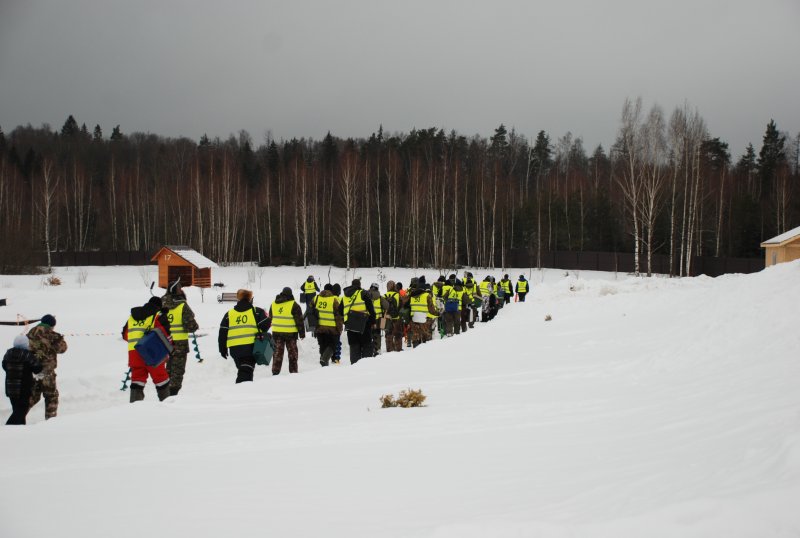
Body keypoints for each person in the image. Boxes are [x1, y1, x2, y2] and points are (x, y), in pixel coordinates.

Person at [122, 297, 172, 402]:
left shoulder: (132, 317)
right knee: (161, 380)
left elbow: (125, 335)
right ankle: (167, 404)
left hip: (134, 355)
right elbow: (166, 334)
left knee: (137, 381)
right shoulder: (158, 315)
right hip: (152, 354)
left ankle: (135, 407)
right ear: (159, 306)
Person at [218, 289, 269, 383]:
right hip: (250, 348)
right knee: (246, 371)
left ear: (238, 298)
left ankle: (246, 390)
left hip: (234, 349)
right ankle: (240, 390)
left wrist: (222, 349)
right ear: (250, 298)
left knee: (244, 369)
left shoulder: (229, 314)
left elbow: (222, 332)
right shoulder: (257, 311)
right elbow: (265, 325)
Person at [162, 279, 199, 396]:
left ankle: (164, 392)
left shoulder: (161, 304)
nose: (182, 289)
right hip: (180, 344)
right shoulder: (182, 305)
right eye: (180, 288)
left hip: (163, 342)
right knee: (177, 370)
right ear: (176, 291)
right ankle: (172, 394)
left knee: (168, 369)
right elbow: (191, 326)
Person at [27, 314, 68, 419]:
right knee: (51, 396)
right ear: (51, 325)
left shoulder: (30, 333)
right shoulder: (52, 335)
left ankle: (18, 416)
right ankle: (50, 421)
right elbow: (63, 349)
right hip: (47, 372)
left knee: (33, 396)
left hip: (32, 371)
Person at [3, 335, 42, 425]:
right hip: (23, 388)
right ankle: (8, 427)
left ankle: (20, 429)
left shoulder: (8, 353)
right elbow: (37, 368)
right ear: (26, 344)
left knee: (16, 408)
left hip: (10, 387)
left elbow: (4, 366)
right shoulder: (27, 355)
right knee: (21, 410)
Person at [268, 287, 305, 374]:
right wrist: (302, 334)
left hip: (277, 334)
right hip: (290, 334)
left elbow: (270, 317)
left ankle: (275, 372)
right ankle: (293, 372)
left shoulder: (273, 304)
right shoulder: (294, 305)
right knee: (292, 355)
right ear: (290, 294)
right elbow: (299, 321)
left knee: (277, 354)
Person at [340, 279, 376, 364]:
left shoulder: (345, 296)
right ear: (359, 285)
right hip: (364, 325)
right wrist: (372, 322)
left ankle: (355, 367)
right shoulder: (363, 293)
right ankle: (366, 366)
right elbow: (371, 309)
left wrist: (346, 320)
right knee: (366, 345)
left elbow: (340, 310)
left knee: (354, 347)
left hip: (350, 326)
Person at [313, 284, 342, 366]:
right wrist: (339, 329)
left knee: (323, 344)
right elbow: (338, 316)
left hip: (319, 327)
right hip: (332, 327)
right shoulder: (333, 299)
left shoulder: (316, 298)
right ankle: (327, 359)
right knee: (333, 345)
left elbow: (310, 309)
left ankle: (323, 361)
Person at [406, 278, 437, 347]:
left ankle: (415, 348)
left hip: (414, 317)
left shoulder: (411, 294)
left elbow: (406, 304)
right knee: (425, 335)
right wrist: (438, 313)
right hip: (424, 318)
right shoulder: (427, 295)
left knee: (415, 335)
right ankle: (425, 350)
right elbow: (432, 309)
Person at [369, 282, 389, 355]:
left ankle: (368, 349)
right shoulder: (380, 298)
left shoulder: (365, 295)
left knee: (368, 334)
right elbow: (387, 306)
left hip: (368, 319)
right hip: (377, 320)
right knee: (377, 334)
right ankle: (377, 349)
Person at [383, 280, 403, 353]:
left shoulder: (384, 295)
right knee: (398, 334)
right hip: (396, 318)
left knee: (388, 335)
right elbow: (401, 306)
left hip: (387, 319)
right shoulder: (398, 295)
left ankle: (389, 350)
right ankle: (398, 349)